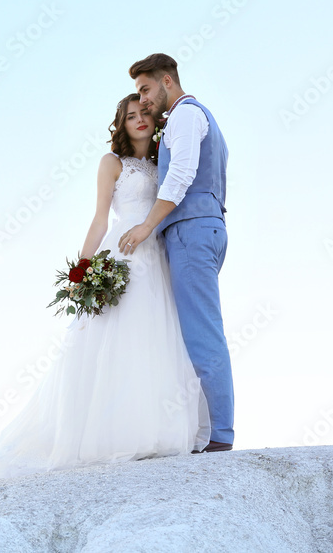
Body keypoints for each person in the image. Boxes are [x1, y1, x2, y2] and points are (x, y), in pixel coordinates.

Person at [0, 94, 211, 482]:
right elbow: (100, 219)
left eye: (144, 114)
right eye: (130, 116)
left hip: (157, 249)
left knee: (157, 336)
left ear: (155, 120)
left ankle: (156, 428)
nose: (139, 120)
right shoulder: (112, 163)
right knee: (115, 335)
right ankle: (110, 435)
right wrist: (82, 270)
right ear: (120, 124)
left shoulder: (161, 162)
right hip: (123, 249)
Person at [118, 53, 233, 453]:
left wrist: (148, 225)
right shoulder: (203, 118)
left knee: (202, 335)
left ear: (167, 81)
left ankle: (219, 436)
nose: (143, 100)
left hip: (190, 231)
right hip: (208, 226)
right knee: (197, 331)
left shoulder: (184, 116)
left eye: (145, 90)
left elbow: (182, 175)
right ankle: (207, 432)